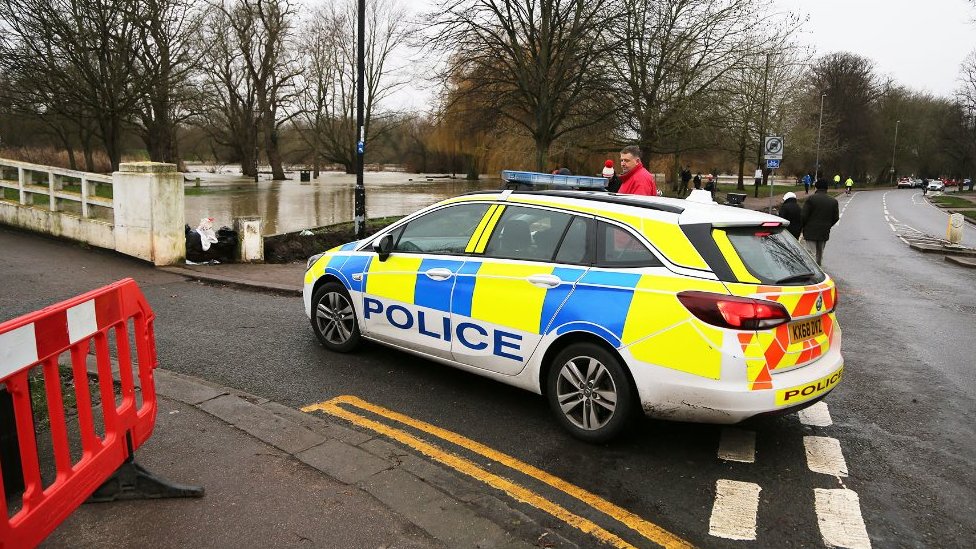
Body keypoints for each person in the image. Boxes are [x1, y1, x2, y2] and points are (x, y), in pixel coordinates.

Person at [801, 177, 840, 265]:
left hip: (810, 231)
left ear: (817, 187)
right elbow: (836, 218)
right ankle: (819, 271)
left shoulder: (811, 199)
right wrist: (828, 225)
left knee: (810, 254)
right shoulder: (833, 201)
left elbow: (803, 216)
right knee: (820, 253)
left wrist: (803, 226)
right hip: (824, 231)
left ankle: (812, 273)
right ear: (827, 188)